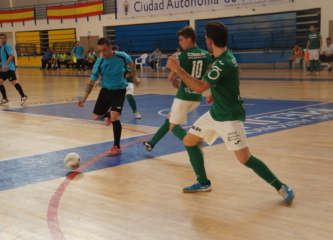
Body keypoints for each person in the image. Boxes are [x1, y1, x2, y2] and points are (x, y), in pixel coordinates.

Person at [166, 21, 295, 205]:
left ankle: (282, 187)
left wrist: (178, 70)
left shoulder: (223, 62)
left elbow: (200, 87)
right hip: (216, 112)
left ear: (209, 41)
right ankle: (203, 182)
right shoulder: (224, 58)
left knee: (244, 158)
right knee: (189, 140)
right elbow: (226, 78)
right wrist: (215, 92)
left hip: (229, 117)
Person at [143, 26, 213, 152]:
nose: (179, 43)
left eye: (181, 40)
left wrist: (174, 79)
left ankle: (194, 142)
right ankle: (151, 143)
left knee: (173, 125)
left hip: (183, 97)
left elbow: (170, 77)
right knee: (170, 117)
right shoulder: (206, 54)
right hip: (197, 96)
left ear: (189, 39)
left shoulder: (181, 56)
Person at [77, 38, 140, 156]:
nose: (103, 53)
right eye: (100, 51)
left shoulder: (122, 56)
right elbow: (91, 81)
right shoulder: (99, 62)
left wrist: (135, 77)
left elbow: (131, 63)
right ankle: (109, 115)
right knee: (96, 116)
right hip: (105, 90)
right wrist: (84, 97)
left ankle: (117, 146)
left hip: (119, 90)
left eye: (104, 50)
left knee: (115, 116)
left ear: (110, 47)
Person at [0, 34, 28, 105]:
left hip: (8, 68)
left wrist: (6, 65)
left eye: (4, 38)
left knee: (13, 82)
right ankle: (5, 98)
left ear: (6, 39)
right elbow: (6, 57)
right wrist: (2, 63)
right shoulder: (2, 47)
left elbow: (11, 56)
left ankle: (23, 95)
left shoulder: (7, 46)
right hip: (4, 69)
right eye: (1, 38)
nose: (2, 39)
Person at [112, 45, 142, 119]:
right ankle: (108, 113)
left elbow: (130, 74)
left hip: (127, 81)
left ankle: (135, 111)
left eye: (117, 52)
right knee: (111, 97)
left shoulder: (125, 61)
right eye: (114, 53)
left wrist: (136, 78)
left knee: (129, 96)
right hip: (117, 82)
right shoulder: (111, 62)